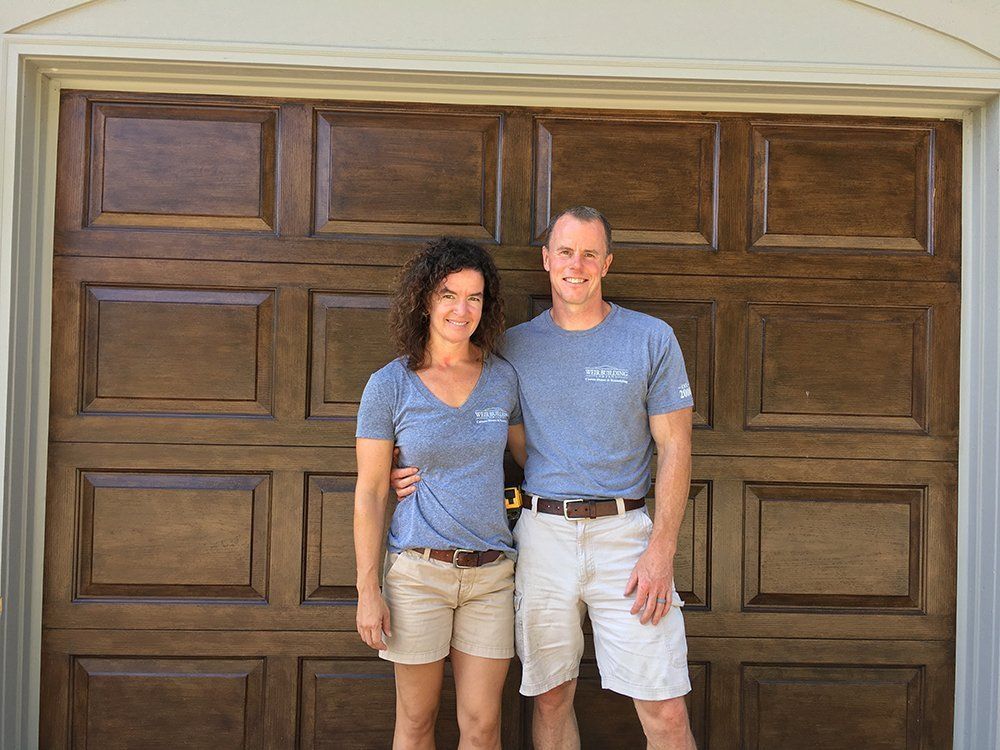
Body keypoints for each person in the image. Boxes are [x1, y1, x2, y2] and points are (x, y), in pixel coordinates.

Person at [392, 207, 697, 749]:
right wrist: (415, 463)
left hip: (626, 538)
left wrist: (661, 550)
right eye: (564, 251)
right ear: (546, 259)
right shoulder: (512, 347)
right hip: (541, 533)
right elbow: (460, 410)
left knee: (665, 706)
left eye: (588, 253)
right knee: (551, 696)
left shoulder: (650, 339)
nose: (575, 265)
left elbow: (676, 446)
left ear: (607, 262)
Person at [353, 236, 524, 750]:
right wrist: (367, 589)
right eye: (449, 294)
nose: (461, 309)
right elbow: (368, 493)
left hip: (491, 576)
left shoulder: (502, 379)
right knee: (416, 723)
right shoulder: (390, 385)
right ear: (425, 298)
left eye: (474, 297)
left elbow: (533, 462)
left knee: (482, 727)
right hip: (418, 573)